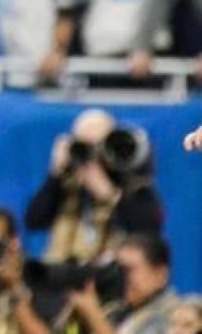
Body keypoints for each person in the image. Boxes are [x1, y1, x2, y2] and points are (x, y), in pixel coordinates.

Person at [25, 109, 163, 264]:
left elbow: (148, 233)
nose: (93, 155)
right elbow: (34, 220)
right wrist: (54, 175)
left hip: (110, 278)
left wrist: (110, 195)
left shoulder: (133, 186)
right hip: (62, 272)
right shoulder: (64, 183)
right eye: (84, 146)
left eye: (99, 146)